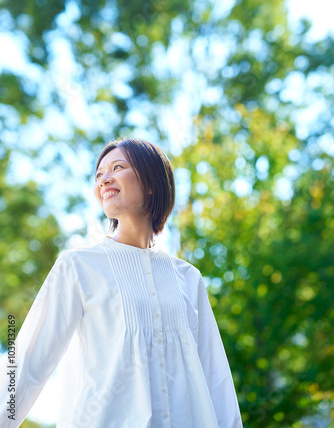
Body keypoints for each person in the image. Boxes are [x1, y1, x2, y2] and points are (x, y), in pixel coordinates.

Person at [0, 137, 243, 427]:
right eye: (99, 174)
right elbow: (27, 362)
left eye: (118, 167)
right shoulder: (77, 266)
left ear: (151, 182)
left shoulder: (188, 278)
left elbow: (216, 379)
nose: (104, 180)